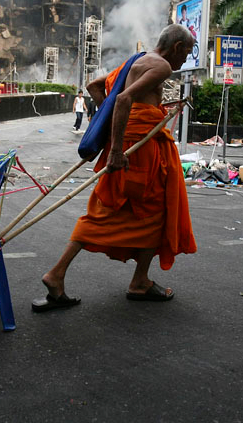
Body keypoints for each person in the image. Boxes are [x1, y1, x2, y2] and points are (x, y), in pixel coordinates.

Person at [33, 24, 197, 312]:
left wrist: (127, 123)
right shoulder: (161, 67)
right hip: (140, 153)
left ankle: (61, 275)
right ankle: (137, 282)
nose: (185, 59)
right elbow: (123, 99)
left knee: (106, 210)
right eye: (187, 52)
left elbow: (96, 87)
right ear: (176, 47)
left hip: (134, 144)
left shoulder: (137, 60)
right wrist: (118, 148)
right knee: (156, 213)